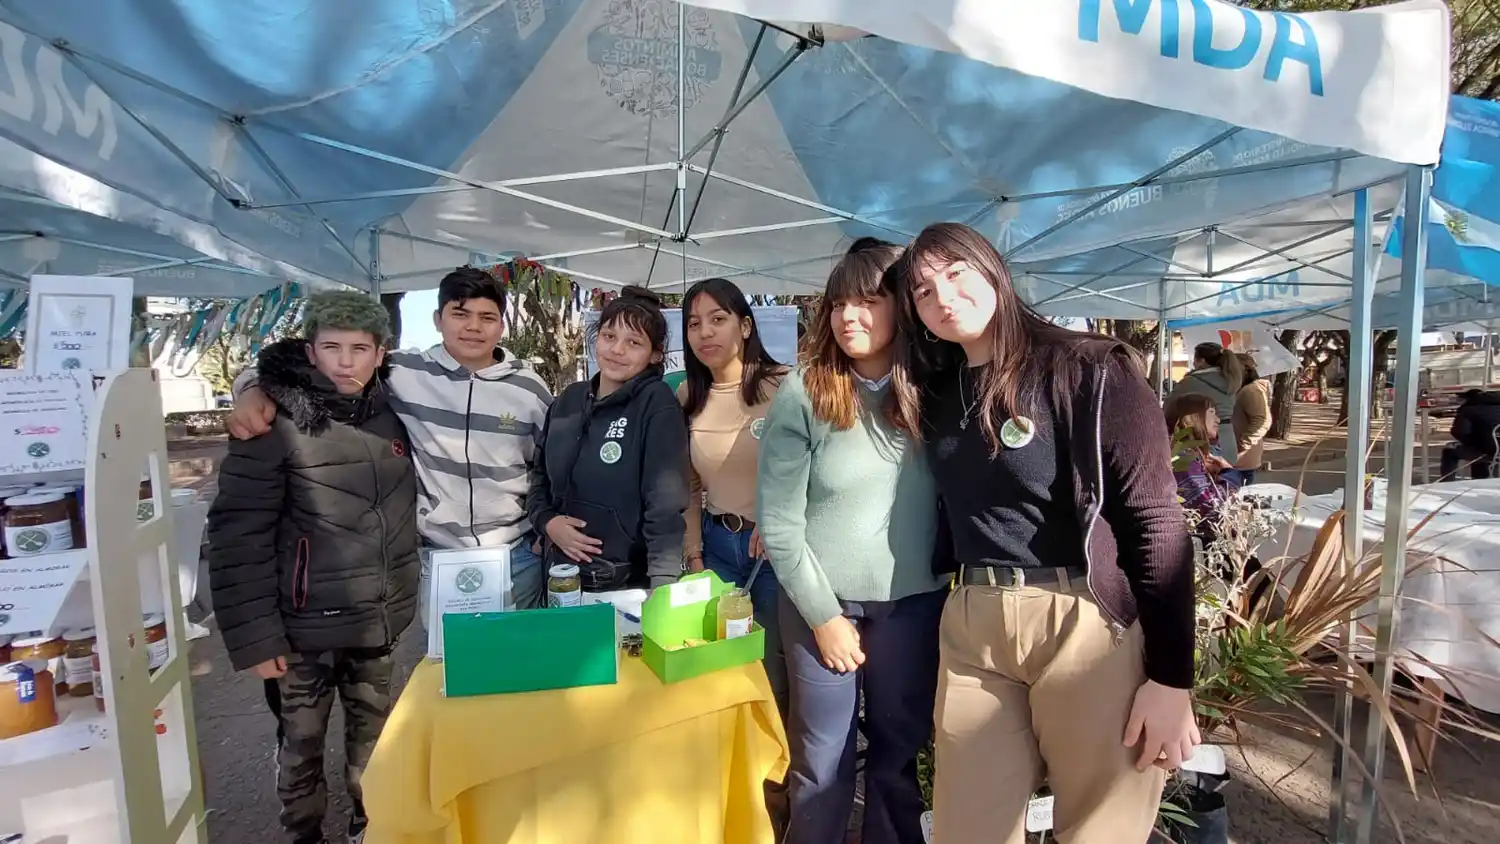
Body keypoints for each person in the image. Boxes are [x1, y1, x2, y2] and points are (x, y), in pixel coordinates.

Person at [893, 222, 1199, 843]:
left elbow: (1156, 523)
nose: (943, 296)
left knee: (1099, 829)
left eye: (956, 273)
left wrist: (1171, 680)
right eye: (923, 290)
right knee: (965, 827)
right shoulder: (933, 390)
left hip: (1083, 620)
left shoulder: (1087, 370)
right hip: (974, 623)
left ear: (994, 272)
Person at [207, 291, 419, 844]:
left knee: (375, 741)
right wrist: (255, 638)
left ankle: (371, 827)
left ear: (381, 354)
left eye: (359, 348)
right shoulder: (273, 424)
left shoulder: (395, 416)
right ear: (310, 350)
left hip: (376, 621)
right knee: (299, 747)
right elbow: (236, 536)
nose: (345, 361)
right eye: (332, 347)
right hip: (301, 630)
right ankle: (304, 833)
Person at [757, 238, 949, 844]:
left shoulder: (937, 388)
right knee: (822, 761)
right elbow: (780, 524)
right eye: (839, 303)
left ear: (901, 307)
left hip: (914, 605)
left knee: (898, 753)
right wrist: (823, 617)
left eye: (868, 300)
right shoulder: (805, 392)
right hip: (820, 606)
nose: (850, 317)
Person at [226, 267, 552, 618]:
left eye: (487, 317)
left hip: (517, 554)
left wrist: (545, 529)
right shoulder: (400, 371)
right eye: (460, 314)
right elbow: (292, 367)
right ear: (437, 320)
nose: (473, 327)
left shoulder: (529, 388)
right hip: (439, 558)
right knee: (452, 666)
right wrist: (252, 390)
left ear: (501, 326)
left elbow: (551, 468)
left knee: (524, 661)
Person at [527, 286, 689, 591]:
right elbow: (539, 478)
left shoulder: (657, 403)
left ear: (655, 354)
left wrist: (663, 584)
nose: (617, 350)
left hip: (624, 582)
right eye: (609, 336)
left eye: (634, 342)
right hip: (560, 575)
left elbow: (665, 504)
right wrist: (547, 523)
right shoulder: (567, 401)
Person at [679, 277, 790, 714]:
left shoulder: (784, 386)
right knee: (721, 670)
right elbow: (689, 485)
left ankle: (778, 779)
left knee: (773, 671)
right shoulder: (688, 395)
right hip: (717, 548)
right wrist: (694, 556)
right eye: (693, 324)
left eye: (718, 319)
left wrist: (775, 516)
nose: (705, 333)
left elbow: (813, 471)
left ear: (744, 327)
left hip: (775, 555)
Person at [1167, 341, 1243, 464]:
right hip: (1228, 437)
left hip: (1200, 439)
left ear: (1202, 361)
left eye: (1194, 360)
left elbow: (1169, 409)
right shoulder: (1231, 380)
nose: (1193, 363)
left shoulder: (1190, 382)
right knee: (1227, 477)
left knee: (1203, 478)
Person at [1165, 393, 1229, 537]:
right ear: (1194, 418)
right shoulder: (1185, 458)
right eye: (1212, 412)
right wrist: (1229, 474)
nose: (1218, 420)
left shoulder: (1187, 452)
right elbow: (1213, 512)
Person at [1440, 388, 1500, 481]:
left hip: (1485, 451)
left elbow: (1459, 432)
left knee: (1449, 452)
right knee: (1486, 444)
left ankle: (1446, 482)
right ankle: (1481, 479)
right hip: (1495, 450)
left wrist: (1471, 442)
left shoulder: (1467, 410)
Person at [1230, 354, 1271, 486]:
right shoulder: (1244, 389)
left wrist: (1243, 445)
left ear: (1244, 369)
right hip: (1240, 459)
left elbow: (1262, 420)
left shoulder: (1251, 390)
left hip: (1242, 460)